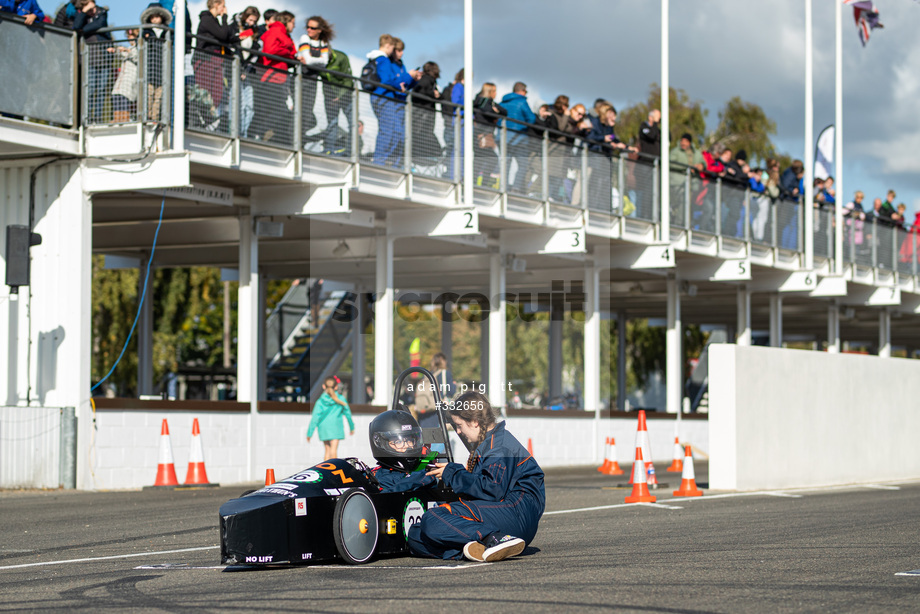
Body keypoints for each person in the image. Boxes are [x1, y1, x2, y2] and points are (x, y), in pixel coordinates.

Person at [410, 391, 545, 562]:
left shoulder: (499, 446)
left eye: (459, 425)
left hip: (517, 514)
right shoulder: (487, 444)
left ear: (474, 422)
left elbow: (492, 490)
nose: (458, 431)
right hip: (504, 513)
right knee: (415, 533)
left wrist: (452, 472)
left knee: (433, 517)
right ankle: (472, 549)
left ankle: (494, 539)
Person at [372, 37, 421, 168]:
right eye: (398, 50)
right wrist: (407, 76)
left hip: (399, 102)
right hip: (390, 99)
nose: (401, 53)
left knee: (400, 134)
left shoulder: (401, 65)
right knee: (389, 132)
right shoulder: (386, 62)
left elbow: (403, 85)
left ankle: (394, 164)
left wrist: (413, 79)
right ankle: (380, 162)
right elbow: (389, 81)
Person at [194, 0, 238, 131]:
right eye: (223, 6)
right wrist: (225, 18)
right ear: (216, 5)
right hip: (206, 59)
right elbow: (222, 34)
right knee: (206, 91)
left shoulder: (214, 22)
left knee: (217, 92)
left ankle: (211, 121)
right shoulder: (207, 20)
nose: (225, 9)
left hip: (217, 60)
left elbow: (226, 36)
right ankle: (204, 121)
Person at [368, 409, 436, 492]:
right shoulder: (374, 476)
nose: (407, 446)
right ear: (382, 443)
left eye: (410, 440)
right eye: (398, 442)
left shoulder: (426, 472)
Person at [257, 10, 296, 145]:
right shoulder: (275, 31)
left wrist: (287, 53)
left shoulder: (284, 34)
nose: (294, 26)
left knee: (278, 112)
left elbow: (293, 53)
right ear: (287, 21)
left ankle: (275, 140)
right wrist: (285, 52)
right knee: (281, 111)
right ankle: (257, 132)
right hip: (271, 77)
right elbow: (268, 51)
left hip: (280, 77)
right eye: (293, 23)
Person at [297, 15, 333, 138]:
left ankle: (301, 139)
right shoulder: (304, 38)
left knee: (307, 111)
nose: (309, 30)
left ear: (319, 30)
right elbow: (309, 60)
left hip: (312, 81)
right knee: (298, 109)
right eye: (307, 27)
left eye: (312, 28)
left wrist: (313, 61)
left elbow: (325, 61)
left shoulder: (322, 42)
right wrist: (318, 60)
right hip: (300, 79)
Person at [500, 82, 537, 194]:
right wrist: (524, 125)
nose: (526, 94)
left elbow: (498, 120)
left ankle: (503, 187)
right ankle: (516, 188)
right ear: (522, 91)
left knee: (505, 163)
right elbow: (531, 118)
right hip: (519, 138)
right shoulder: (522, 102)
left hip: (504, 136)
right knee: (523, 164)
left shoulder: (503, 102)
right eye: (525, 91)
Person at [307, 376, 355, 461]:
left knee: (327, 450)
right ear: (336, 386)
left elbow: (315, 418)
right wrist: (352, 427)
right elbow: (348, 414)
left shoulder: (320, 401)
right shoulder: (341, 399)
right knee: (334, 451)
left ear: (324, 386)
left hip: (323, 428)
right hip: (336, 427)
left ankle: (325, 472)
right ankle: (334, 472)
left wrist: (309, 433)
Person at [140, 3, 172, 123]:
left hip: (162, 68)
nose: (155, 19)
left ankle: (155, 117)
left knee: (159, 96)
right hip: (149, 68)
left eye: (157, 16)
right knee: (149, 94)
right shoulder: (146, 32)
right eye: (152, 17)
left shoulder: (167, 32)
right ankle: (147, 116)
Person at [472, 82, 506, 186]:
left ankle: (473, 181)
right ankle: (481, 182)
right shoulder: (483, 102)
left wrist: (495, 110)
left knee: (480, 160)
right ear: (490, 91)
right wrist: (495, 113)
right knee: (490, 159)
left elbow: (504, 111)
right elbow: (487, 113)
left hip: (483, 135)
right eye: (494, 91)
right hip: (481, 135)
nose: (496, 93)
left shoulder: (487, 102)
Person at [410, 61, 441, 167]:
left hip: (424, 114)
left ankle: (422, 158)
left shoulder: (430, 81)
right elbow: (419, 92)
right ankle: (423, 158)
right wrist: (433, 94)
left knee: (422, 136)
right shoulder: (426, 80)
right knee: (421, 135)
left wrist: (437, 95)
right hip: (422, 114)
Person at [413, 352, 455, 428]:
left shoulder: (426, 375)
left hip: (424, 410)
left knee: (426, 436)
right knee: (438, 437)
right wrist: (454, 385)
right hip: (437, 410)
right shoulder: (445, 373)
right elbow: (451, 392)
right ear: (444, 362)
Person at [110, 28, 140, 124]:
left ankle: (125, 118)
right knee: (116, 95)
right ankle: (117, 117)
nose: (130, 41)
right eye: (129, 39)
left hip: (131, 77)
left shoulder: (139, 48)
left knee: (124, 97)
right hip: (122, 77)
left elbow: (136, 57)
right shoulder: (130, 49)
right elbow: (123, 54)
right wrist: (115, 50)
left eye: (132, 38)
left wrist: (126, 50)